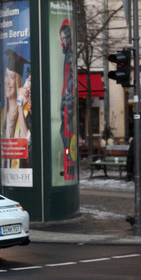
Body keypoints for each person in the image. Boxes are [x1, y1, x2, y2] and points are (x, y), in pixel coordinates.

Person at [1, 49, 31, 169]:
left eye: (12, 77)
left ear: (18, 81)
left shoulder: (25, 109)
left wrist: (20, 105)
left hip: (22, 166)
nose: (8, 82)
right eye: (6, 76)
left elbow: (26, 140)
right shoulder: (3, 113)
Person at [60, 19, 75, 179]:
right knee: (64, 132)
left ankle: (69, 165)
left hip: (67, 99)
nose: (63, 42)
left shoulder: (69, 55)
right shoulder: (67, 54)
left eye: (65, 38)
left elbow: (68, 77)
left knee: (65, 133)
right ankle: (68, 165)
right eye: (62, 39)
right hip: (66, 98)